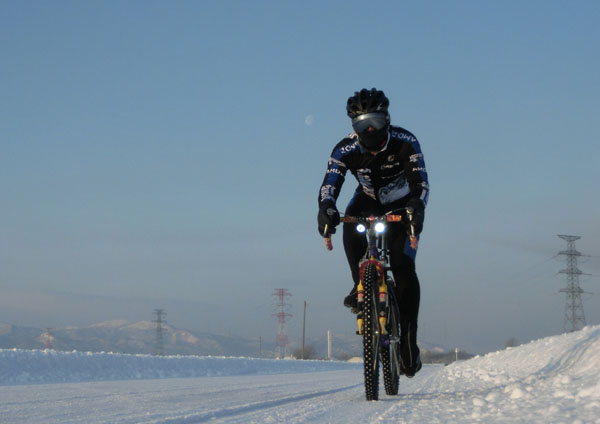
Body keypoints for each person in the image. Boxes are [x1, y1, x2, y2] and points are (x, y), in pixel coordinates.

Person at [317, 88, 429, 377]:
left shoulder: (406, 142)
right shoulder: (345, 149)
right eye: (361, 125)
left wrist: (417, 205)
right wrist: (326, 208)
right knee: (350, 226)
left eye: (376, 122)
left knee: (403, 265)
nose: (369, 130)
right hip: (367, 199)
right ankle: (359, 286)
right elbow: (330, 185)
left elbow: (421, 183)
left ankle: (408, 342)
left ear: (387, 120)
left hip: (403, 203)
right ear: (352, 127)